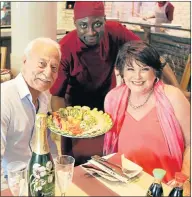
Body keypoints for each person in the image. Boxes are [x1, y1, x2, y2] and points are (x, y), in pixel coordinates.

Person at [50, 1, 183, 166]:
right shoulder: (64, 48)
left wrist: (178, 91)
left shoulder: (115, 31)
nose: (91, 31)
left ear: (105, 20)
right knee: (79, 163)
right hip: (77, 114)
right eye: (83, 25)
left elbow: (153, 58)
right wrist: (69, 125)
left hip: (111, 107)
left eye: (97, 24)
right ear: (75, 23)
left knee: (111, 160)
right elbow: (57, 96)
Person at [103, 41, 190, 184]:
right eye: (130, 69)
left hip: (165, 186)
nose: (137, 76)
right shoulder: (113, 99)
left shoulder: (173, 97)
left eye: (144, 69)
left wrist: (185, 180)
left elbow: (191, 144)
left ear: (155, 72)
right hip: (124, 184)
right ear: (121, 72)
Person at [1, 37, 61, 176]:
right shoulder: (4, 99)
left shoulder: (44, 98)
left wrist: (55, 173)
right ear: (24, 61)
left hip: (38, 178)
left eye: (54, 68)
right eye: (42, 64)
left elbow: (48, 144)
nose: (48, 74)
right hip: (10, 183)